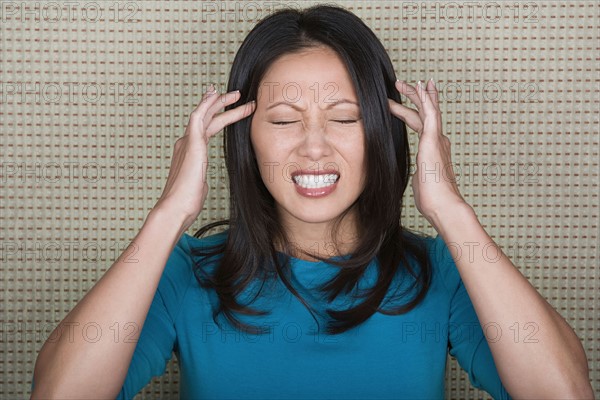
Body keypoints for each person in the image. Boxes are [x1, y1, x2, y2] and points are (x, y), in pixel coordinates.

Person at [31, 5, 593, 399]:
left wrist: (449, 208)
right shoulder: (184, 273)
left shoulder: (440, 271)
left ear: (382, 132)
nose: (315, 148)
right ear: (243, 137)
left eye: (345, 119)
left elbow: (564, 393)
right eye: (283, 121)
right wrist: (169, 213)